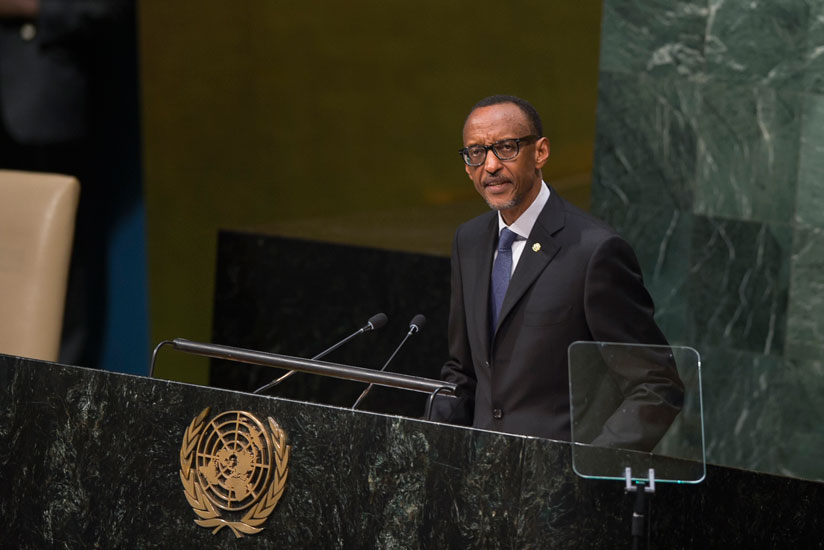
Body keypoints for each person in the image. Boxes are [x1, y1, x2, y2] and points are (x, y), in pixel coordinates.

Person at [429, 95, 682, 448]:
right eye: (476, 152)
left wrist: (586, 473)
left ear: (541, 152)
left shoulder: (595, 251)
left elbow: (657, 386)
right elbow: (463, 371)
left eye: (505, 148)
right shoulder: (468, 240)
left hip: (556, 486)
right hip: (479, 483)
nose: (490, 166)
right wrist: (431, 449)